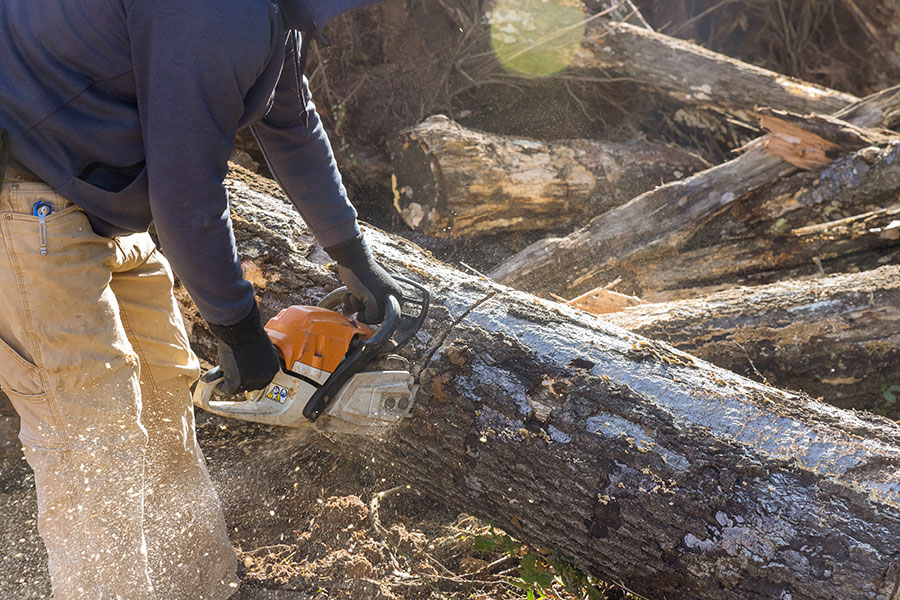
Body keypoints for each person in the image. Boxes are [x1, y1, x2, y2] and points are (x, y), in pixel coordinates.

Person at [0, 0, 398, 597]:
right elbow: (186, 194)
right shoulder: (214, 12)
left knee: (164, 392)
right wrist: (237, 327)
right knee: (93, 433)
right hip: (23, 196)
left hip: (96, 196)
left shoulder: (268, 14)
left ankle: (203, 588)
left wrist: (352, 255)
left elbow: (292, 123)